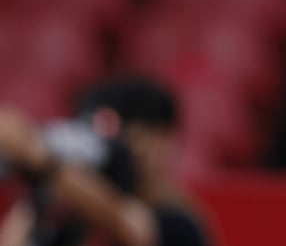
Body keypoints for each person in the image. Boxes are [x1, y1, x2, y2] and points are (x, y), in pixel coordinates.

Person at [0, 76, 211, 246]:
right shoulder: (63, 217)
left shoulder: (177, 222)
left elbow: (131, 226)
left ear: (162, 141)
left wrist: (41, 160)